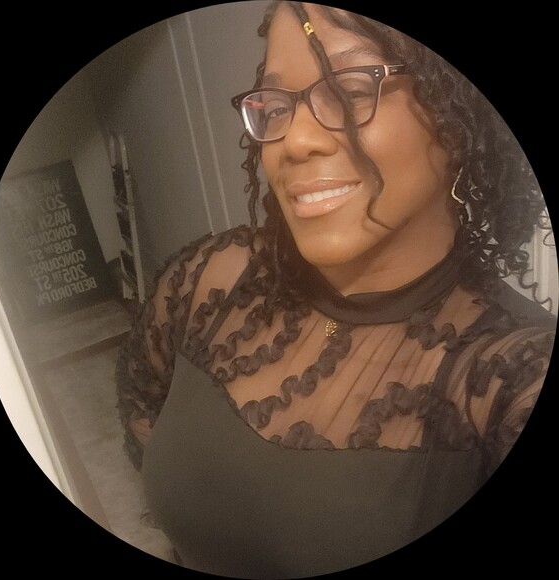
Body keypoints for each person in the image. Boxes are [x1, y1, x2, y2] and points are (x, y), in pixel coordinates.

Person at [116, 2, 556, 577]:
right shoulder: (212, 276)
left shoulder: (514, 375)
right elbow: (143, 406)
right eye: (277, 106)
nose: (294, 141)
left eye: (348, 93)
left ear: (458, 112)